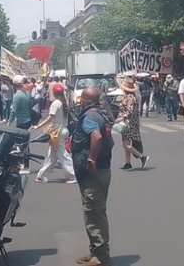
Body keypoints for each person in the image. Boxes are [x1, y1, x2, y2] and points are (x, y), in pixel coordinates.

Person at [70, 87, 114, 266]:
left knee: (94, 212)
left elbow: (96, 138)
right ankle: (94, 250)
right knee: (94, 211)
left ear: (85, 101)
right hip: (104, 169)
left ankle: (100, 257)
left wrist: (91, 160)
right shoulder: (100, 114)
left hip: (94, 172)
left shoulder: (89, 117)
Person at [32, 83, 76, 183]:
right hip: (61, 131)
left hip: (57, 132)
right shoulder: (63, 102)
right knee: (53, 155)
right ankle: (41, 175)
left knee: (62, 154)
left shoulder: (56, 103)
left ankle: (72, 175)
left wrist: (38, 126)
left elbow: (50, 118)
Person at [115, 74, 148, 169]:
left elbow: (129, 111)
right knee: (127, 142)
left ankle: (142, 157)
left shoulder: (129, 97)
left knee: (125, 144)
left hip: (129, 123)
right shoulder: (129, 96)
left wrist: (120, 119)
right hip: (130, 122)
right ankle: (128, 162)